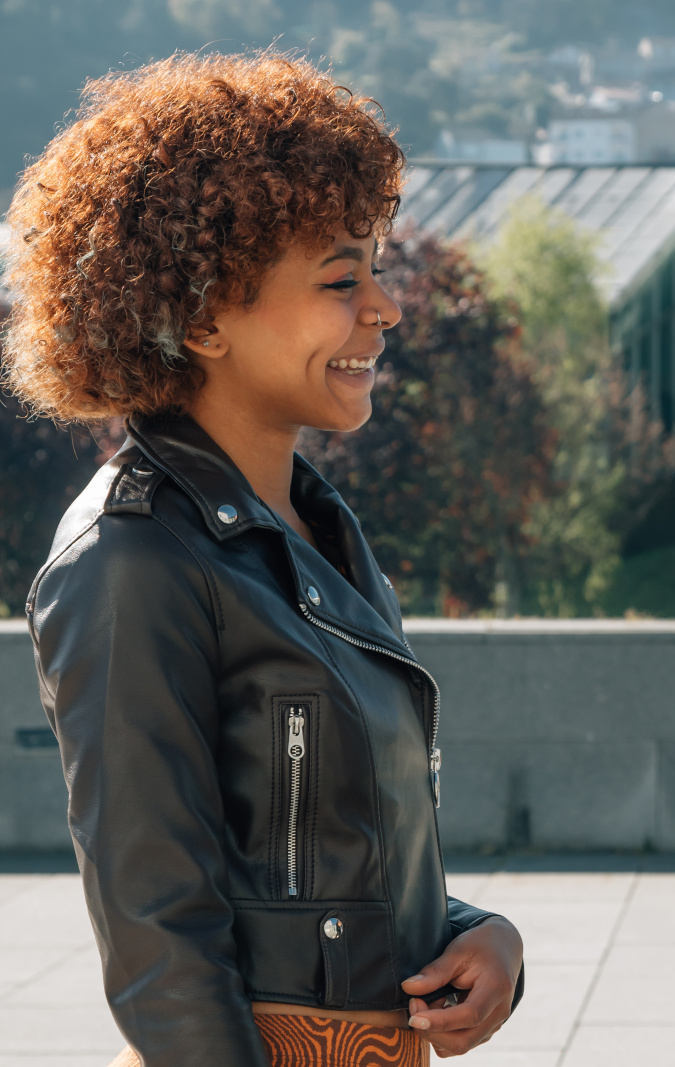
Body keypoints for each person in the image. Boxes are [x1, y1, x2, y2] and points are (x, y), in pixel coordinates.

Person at [5, 53, 524, 1066]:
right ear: (201, 317)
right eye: (342, 277)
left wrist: (470, 931)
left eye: (377, 267)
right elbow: (160, 939)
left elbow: (320, 863)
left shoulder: (315, 530)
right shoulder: (131, 560)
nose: (386, 306)